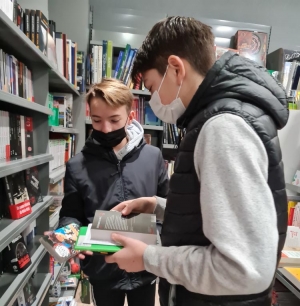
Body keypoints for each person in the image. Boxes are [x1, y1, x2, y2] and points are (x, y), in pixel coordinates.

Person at [105, 16, 289, 306]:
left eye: (152, 88)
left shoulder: (223, 127)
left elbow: (244, 269)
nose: (154, 100)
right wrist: (157, 205)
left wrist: (147, 258)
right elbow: (215, 218)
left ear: (176, 69)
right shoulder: (225, 115)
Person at [58, 78, 169, 306]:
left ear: (130, 117)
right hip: (102, 267)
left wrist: (154, 243)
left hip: (144, 264)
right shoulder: (77, 165)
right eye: (97, 120)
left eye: (114, 120)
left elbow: (166, 206)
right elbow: (71, 213)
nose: (105, 129)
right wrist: (71, 238)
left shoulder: (153, 157)